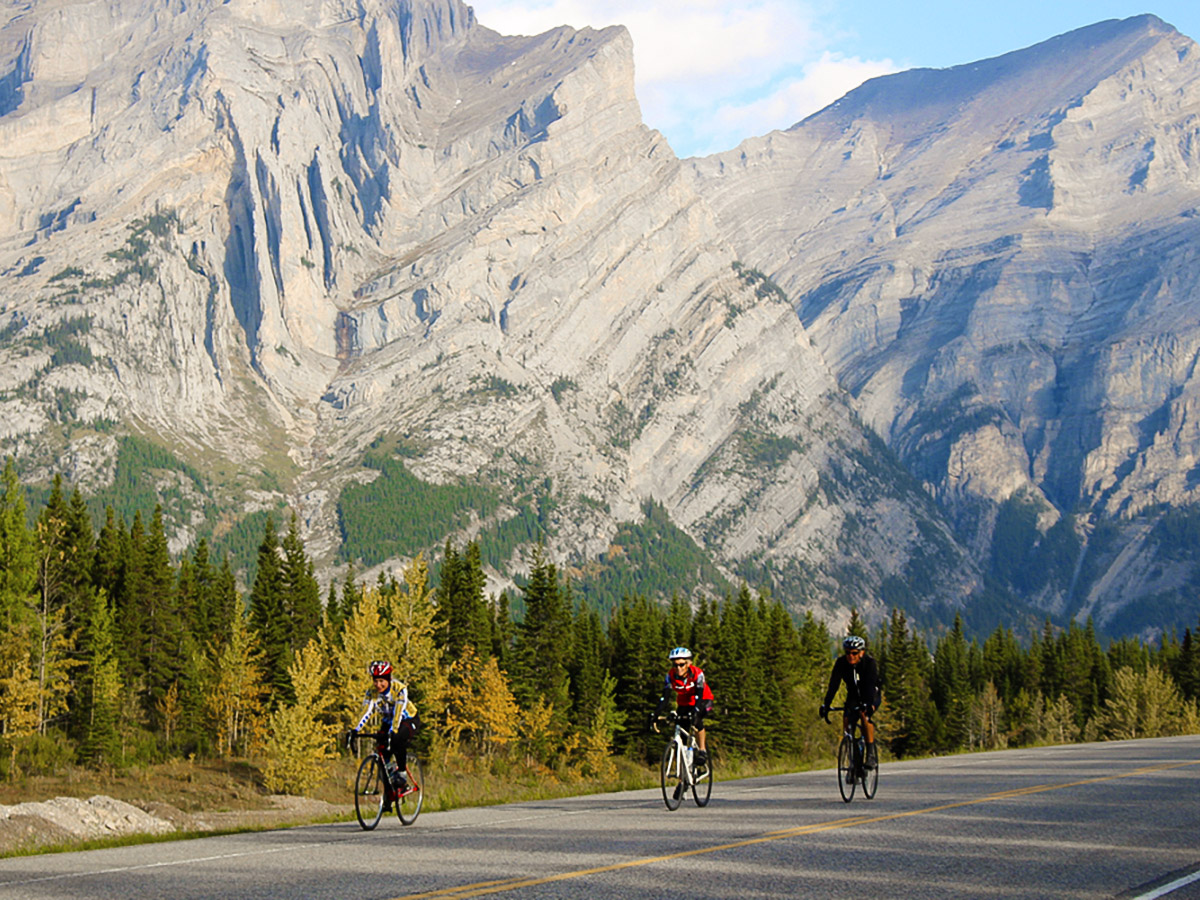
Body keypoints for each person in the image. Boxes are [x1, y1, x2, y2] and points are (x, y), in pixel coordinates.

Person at [350, 660, 420, 809]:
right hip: (388, 720)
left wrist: (393, 732)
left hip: (407, 718)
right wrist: (355, 730)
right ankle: (389, 793)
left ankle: (401, 774)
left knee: (397, 738)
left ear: (388, 679)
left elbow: (398, 713)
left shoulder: (399, 689)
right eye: (375, 681)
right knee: (382, 753)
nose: (378, 685)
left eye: (381, 681)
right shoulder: (372, 692)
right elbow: (367, 711)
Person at [820, 635, 882, 768]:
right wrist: (826, 704)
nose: (850, 656)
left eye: (854, 653)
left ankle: (870, 754)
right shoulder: (841, 663)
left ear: (862, 652)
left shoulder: (869, 663)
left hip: (871, 694)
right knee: (847, 721)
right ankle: (852, 760)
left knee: (865, 716)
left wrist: (869, 704)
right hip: (853, 695)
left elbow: (871, 685)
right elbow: (833, 685)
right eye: (847, 652)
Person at [654, 647, 714, 770]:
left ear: (689, 663)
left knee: (697, 720)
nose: (678, 668)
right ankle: (683, 778)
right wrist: (656, 713)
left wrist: (696, 710)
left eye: (682, 665)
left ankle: (702, 750)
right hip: (684, 703)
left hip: (703, 699)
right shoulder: (670, 676)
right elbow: (664, 698)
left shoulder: (697, 674)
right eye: (675, 665)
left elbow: (699, 693)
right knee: (682, 735)